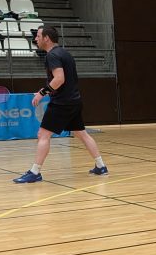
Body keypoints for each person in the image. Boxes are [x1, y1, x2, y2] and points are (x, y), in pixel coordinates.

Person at [14, 26, 108, 183]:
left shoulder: (52, 55)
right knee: (81, 133)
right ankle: (101, 166)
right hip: (74, 101)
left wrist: (42, 93)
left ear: (46, 38)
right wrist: (48, 90)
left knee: (43, 134)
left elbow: (59, 79)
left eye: (38, 36)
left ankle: (35, 172)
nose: (35, 39)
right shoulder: (65, 53)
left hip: (62, 103)